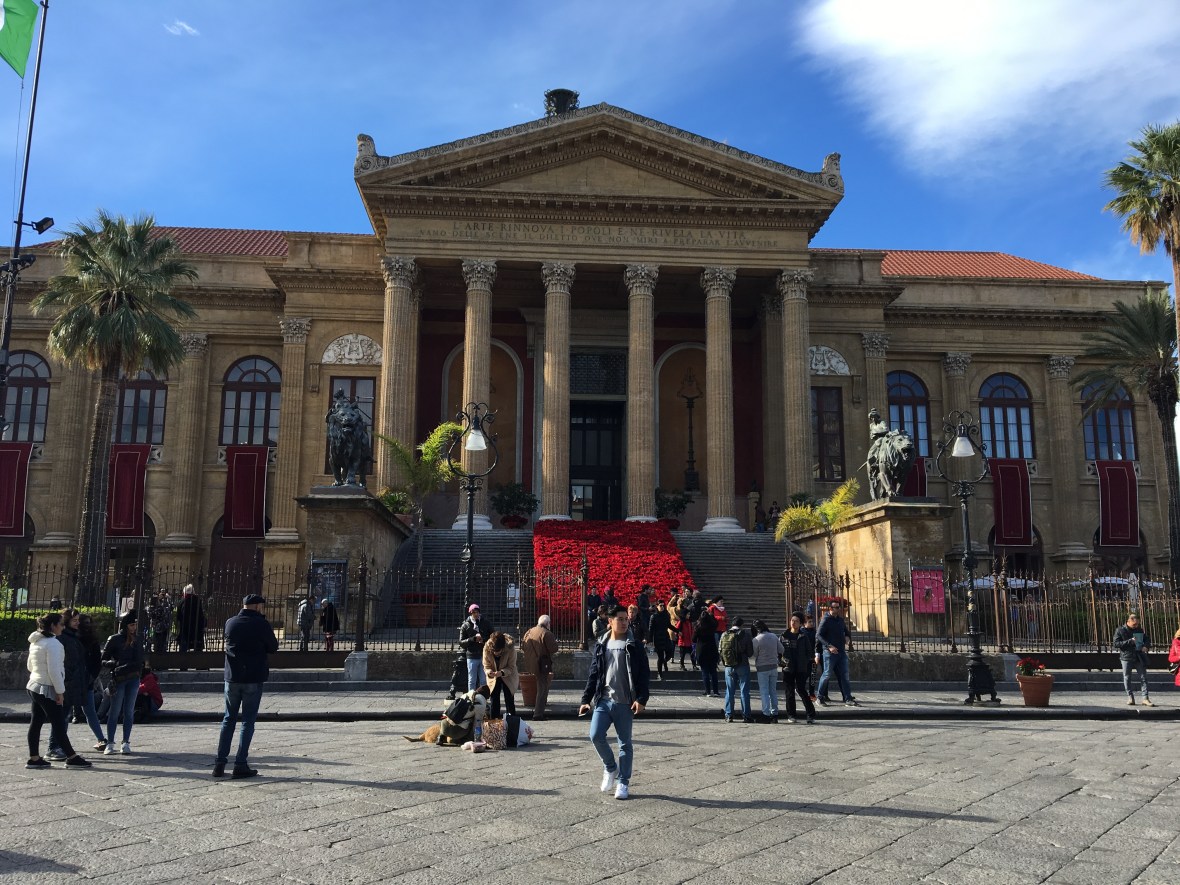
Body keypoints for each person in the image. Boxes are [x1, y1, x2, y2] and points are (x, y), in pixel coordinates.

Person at [578, 604, 650, 801]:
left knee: (625, 743)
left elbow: (644, 674)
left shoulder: (634, 644)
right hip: (604, 699)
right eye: (620, 619)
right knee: (595, 735)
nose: (624, 622)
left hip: (625, 702)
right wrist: (586, 699)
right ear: (610, 621)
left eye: (626, 619)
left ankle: (623, 782)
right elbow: (594, 673)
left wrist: (642, 699)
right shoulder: (602, 643)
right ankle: (610, 767)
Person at [214, 593, 280, 778]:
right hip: (252, 677)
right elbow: (273, 647)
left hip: (232, 678)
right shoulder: (261, 624)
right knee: (247, 722)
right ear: (257, 606)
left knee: (228, 719)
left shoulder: (230, 622)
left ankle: (219, 763)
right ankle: (240, 764)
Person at [25, 613, 92, 769]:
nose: (63, 627)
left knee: (36, 722)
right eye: (61, 624)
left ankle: (34, 758)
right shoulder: (53, 644)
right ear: (53, 626)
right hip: (47, 687)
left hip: (34, 685)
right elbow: (54, 671)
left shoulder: (36, 641)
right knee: (58, 723)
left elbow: (29, 666)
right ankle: (72, 757)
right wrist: (60, 692)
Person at [102, 611, 145, 754]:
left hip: (133, 677)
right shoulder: (114, 639)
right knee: (114, 711)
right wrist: (113, 664)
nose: (134, 627)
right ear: (125, 625)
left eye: (135, 625)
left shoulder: (137, 639)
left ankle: (126, 741)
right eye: (131, 625)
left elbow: (140, 659)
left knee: (129, 711)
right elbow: (103, 658)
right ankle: (110, 742)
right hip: (119, 678)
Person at [47, 608, 88, 761]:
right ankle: (53, 747)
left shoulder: (73, 636)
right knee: (61, 718)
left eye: (78, 620)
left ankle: (59, 747)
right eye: (74, 620)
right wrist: (68, 677)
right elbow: (63, 662)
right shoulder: (62, 638)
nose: (77, 623)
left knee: (64, 716)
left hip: (72, 682)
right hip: (66, 682)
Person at [76, 613, 109, 751]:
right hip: (74, 680)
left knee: (89, 711)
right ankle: (57, 744)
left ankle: (101, 739)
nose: (88, 626)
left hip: (86, 680)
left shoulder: (92, 641)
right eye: (85, 623)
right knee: (65, 713)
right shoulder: (72, 638)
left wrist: (91, 677)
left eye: (89, 623)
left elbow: (97, 662)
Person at [816, 600, 857, 707]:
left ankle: (847, 698)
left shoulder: (840, 620)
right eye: (836, 607)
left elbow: (846, 632)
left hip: (841, 652)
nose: (839, 609)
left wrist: (847, 637)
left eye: (839, 607)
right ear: (830, 608)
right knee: (827, 675)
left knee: (844, 675)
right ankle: (819, 697)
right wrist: (829, 646)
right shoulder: (825, 620)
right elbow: (819, 635)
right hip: (829, 653)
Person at [521, 615, 559, 720]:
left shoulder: (529, 631)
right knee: (542, 688)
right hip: (542, 664)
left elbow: (523, 646)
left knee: (540, 686)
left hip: (530, 663)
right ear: (547, 624)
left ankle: (537, 709)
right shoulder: (547, 633)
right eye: (549, 623)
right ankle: (538, 714)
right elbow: (554, 649)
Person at [781, 613, 817, 724]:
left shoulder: (803, 636)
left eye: (796, 621)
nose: (793, 622)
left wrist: (805, 661)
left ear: (800, 624)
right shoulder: (784, 636)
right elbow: (778, 651)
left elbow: (809, 652)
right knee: (789, 692)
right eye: (792, 620)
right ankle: (791, 715)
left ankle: (810, 714)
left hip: (801, 668)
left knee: (801, 690)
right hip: (788, 668)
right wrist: (782, 662)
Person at [1113, 612, 1153, 706]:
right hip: (1126, 657)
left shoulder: (1139, 630)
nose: (1136, 626)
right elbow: (1116, 644)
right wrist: (1130, 641)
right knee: (1127, 677)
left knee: (1143, 677)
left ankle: (1145, 698)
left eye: (1137, 624)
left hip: (1139, 656)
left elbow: (1147, 639)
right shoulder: (1120, 630)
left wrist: (1146, 646)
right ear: (1128, 621)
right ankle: (1130, 697)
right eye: (1134, 624)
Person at [719, 617, 754, 723]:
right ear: (742, 625)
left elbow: (720, 650)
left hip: (729, 666)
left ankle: (729, 715)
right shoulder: (746, 635)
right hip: (743, 664)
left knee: (729, 691)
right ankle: (746, 716)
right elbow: (750, 653)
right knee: (744, 691)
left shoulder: (724, 634)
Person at [751, 619, 783, 722]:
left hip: (762, 667)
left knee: (764, 691)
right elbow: (781, 649)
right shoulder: (773, 636)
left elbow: (754, 654)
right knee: (773, 691)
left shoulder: (756, 639)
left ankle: (766, 714)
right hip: (773, 666)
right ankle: (775, 713)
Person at [482, 631, 519, 719]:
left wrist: (501, 673)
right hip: (493, 676)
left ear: (503, 648)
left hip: (508, 675)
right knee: (494, 699)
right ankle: (494, 722)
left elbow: (511, 667)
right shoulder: (487, 648)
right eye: (494, 651)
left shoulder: (510, 648)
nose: (496, 653)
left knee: (509, 699)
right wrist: (489, 672)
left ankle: (511, 722)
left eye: (498, 651)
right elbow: (486, 665)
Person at [458, 603, 493, 689]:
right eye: (474, 612)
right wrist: (472, 639)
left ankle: (483, 696)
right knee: (472, 680)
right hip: (472, 655)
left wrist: (484, 640)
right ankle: (471, 696)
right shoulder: (465, 625)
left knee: (483, 680)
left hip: (483, 654)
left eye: (477, 612)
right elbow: (461, 642)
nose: (476, 614)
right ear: (470, 613)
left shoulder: (485, 623)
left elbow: (492, 636)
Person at [695, 606, 720, 697]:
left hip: (702, 650)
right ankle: (716, 691)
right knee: (713, 671)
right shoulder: (712, 626)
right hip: (712, 649)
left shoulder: (698, 627)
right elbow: (716, 623)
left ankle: (708, 691)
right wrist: (711, 615)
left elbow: (693, 639)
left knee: (705, 671)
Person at [176, 584, 206, 655]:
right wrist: (204, 625)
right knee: (197, 648)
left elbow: (178, 616)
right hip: (196, 629)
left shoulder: (181, 602)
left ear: (184, 592)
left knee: (183, 649)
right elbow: (201, 615)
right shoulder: (198, 601)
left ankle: (182, 660)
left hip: (185, 628)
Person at [649, 601, 675, 680]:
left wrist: (677, 631)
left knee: (670, 653)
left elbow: (669, 625)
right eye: (660, 605)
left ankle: (664, 662)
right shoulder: (654, 616)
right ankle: (659, 673)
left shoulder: (666, 615)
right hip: (658, 638)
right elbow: (651, 629)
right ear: (657, 606)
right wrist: (650, 640)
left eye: (663, 605)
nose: (662, 607)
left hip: (666, 637)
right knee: (660, 656)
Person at [147, 590, 173, 655]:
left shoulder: (165, 603)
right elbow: (164, 613)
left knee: (159, 641)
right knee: (158, 640)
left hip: (159, 626)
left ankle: (158, 649)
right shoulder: (157, 606)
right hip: (158, 626)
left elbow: (169, 610)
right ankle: (157, 650)